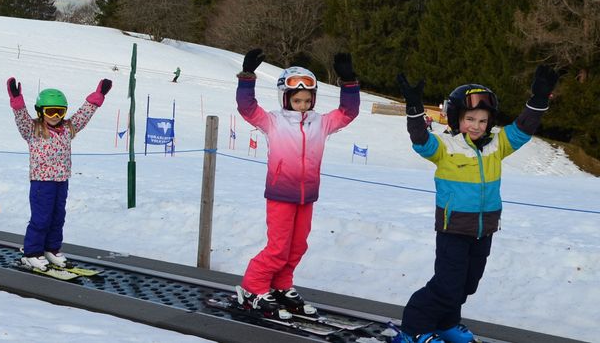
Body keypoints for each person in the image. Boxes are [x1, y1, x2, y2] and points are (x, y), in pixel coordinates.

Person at [389, 67, 558, 343]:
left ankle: (446, 323)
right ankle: (411, 330)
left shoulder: (496, 145)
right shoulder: (445, 147)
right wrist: (415, 108)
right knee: (446, 286)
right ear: (457, 118)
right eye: (470, 119)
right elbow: (421, 142)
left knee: (466, 285)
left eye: (482, 120)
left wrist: (538, 100)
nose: (477, 125)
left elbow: (523, 130)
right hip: (453, 230)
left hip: (484, 230)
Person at [232, 50, 360, 320]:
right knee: (277, 248)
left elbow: (348, 112)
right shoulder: (273, 121)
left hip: (307, 196)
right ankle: (252, 287)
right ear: (285, 98)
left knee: (297, 247)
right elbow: (247, 108)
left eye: (307, 100)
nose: (302, 105)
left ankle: (280, 285)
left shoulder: (322, 123)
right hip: (280, 195)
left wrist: (348, 81)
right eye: (297, 100)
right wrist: (247, 77)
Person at [5, 76, 111, 272]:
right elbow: (20, 116)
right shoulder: (32, 129)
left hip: (62, 181)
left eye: (59, 111)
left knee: (57, 217)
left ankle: (51, 249)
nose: (55, 115)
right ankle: (32, 253)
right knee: (41, 218)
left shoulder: (67, 129)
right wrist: (17, 100)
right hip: (41, 183)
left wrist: (97, 97)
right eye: (50, 111)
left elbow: (82, 116)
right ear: (40, 112)